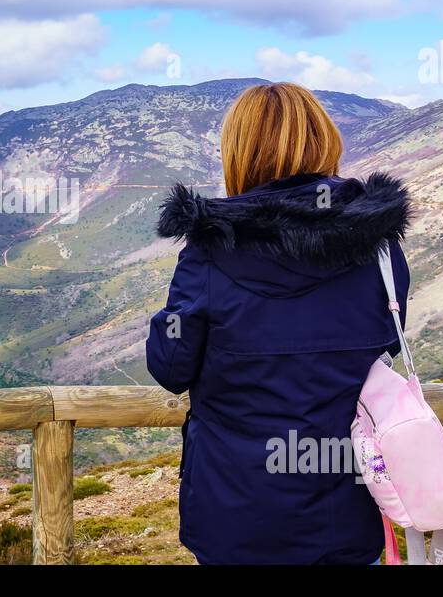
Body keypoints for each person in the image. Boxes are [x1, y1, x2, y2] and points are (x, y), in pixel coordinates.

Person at [146, 82, 412, 565]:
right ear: (324, 141)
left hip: (234, 519)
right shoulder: (378, 246)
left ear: (240, 153)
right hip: (346, 514)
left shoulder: (209, 252)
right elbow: (384, 346)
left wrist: (169, 317)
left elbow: (171, 367)